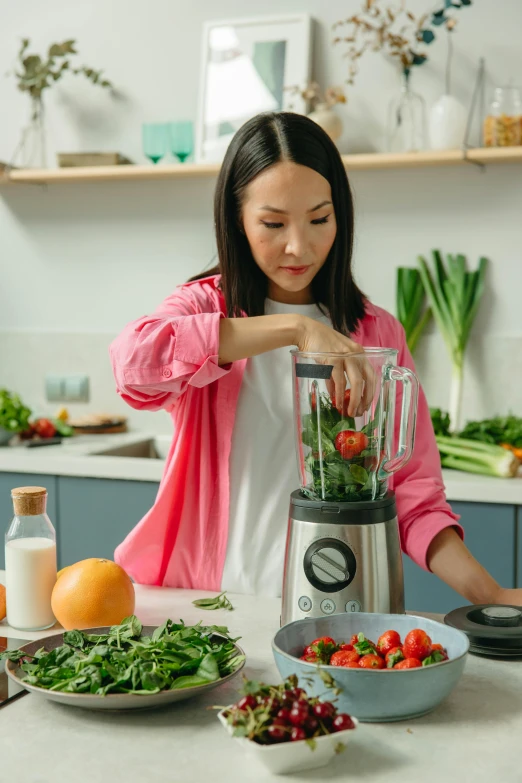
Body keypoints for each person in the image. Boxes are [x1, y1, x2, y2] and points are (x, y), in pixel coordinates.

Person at [110, 111, 522, 606]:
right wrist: (297, 328)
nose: (298, 246)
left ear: (340, 215)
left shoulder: (376, 332)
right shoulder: (205, 310)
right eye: (273, 223)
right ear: (236, 219)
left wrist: (492, 595)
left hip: (338, 607)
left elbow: (412, 493)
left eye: (319, 219)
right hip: (209, 606)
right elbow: (132, 363)